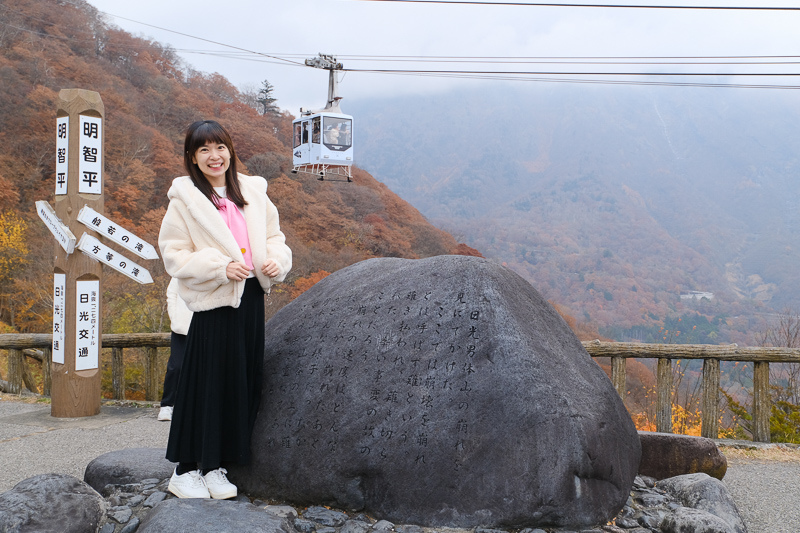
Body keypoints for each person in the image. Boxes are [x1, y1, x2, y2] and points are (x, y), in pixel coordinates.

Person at [158, 120, 292, 499]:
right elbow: (174, 253)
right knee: (205, 383)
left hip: (250, 298)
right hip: (215, 300)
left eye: (219, 147)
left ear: (230, 150)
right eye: (203, 150)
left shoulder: (252, 191)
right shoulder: (185, 199)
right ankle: (185, 469)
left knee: (240, 381)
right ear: (192, 158)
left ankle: (216, 465)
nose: (213, 156)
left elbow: (274, 239)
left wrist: (276, 262)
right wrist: (219, 268)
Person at [157, 278, 191, 422]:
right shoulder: (182, 264)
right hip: (181, 326)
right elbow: (171, 293)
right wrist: (174, 317)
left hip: (206, 326)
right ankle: (167, 405)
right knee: (175, 367)